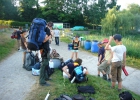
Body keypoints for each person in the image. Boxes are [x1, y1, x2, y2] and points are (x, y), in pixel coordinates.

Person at [39, 22, 53, 86]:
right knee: (43, 65)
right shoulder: (46, 29)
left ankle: (46, 77)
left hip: (43, 49)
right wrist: (50, 36)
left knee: (46, 64)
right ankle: (42, 81)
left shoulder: (41, 29)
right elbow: (44, 40)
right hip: (44, 50)